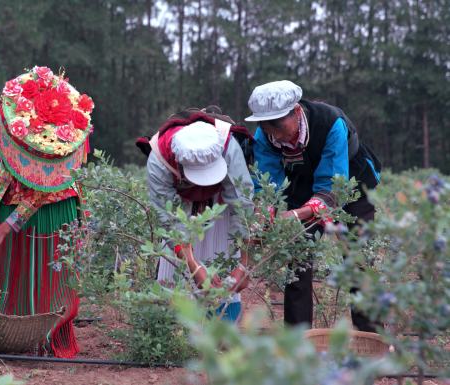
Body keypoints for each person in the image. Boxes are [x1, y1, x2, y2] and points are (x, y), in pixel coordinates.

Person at [0, 67, 93, 358]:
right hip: (6, 204)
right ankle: (11, 339)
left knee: (51, 278)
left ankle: (49, 340)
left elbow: (42, 190)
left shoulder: (65, 139)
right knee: (9, 279)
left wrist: (4, 228)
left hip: (55, 209)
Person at [246, 80, 381, 331]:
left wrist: (294, 214)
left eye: (278, 123)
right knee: (298, 260)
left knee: (358, 257)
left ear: (296, 111)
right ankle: (298, 340)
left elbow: (332, 188)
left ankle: (371, 336)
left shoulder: (330, 124)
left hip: (350, 184)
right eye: (266, 125)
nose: (274, 132)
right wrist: (263, 217)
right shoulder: (264, 136)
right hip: (301, 186)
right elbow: (268, 186)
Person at [141, 107, 254, 321]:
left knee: (221, 253)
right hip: (180, 204)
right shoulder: (159, 159)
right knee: (178, 271)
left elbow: (242, 204)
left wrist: (243, 265)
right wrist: (193, 266)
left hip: (220, 203)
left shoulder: (229, 146)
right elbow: (168, 219)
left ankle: (222, 326)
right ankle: (174, 329)